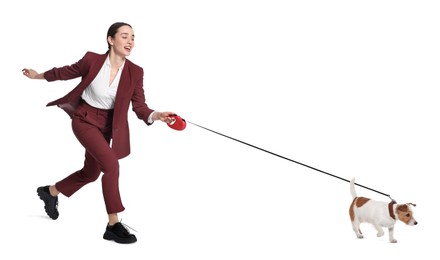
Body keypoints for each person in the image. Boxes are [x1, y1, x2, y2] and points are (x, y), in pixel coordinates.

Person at [22, 22, 177, 244]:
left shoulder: (136, 72)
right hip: (84, 119)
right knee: (112, 166)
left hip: (107, 127)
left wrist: (158, 114)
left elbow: (140, 107)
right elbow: (65, 72)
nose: (130, 41)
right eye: (124, 36)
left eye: (133, 37)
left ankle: (50, 192)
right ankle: (113, 224)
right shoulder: (92, 60)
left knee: (91, 173)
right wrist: (38, 76)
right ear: (110, 40)